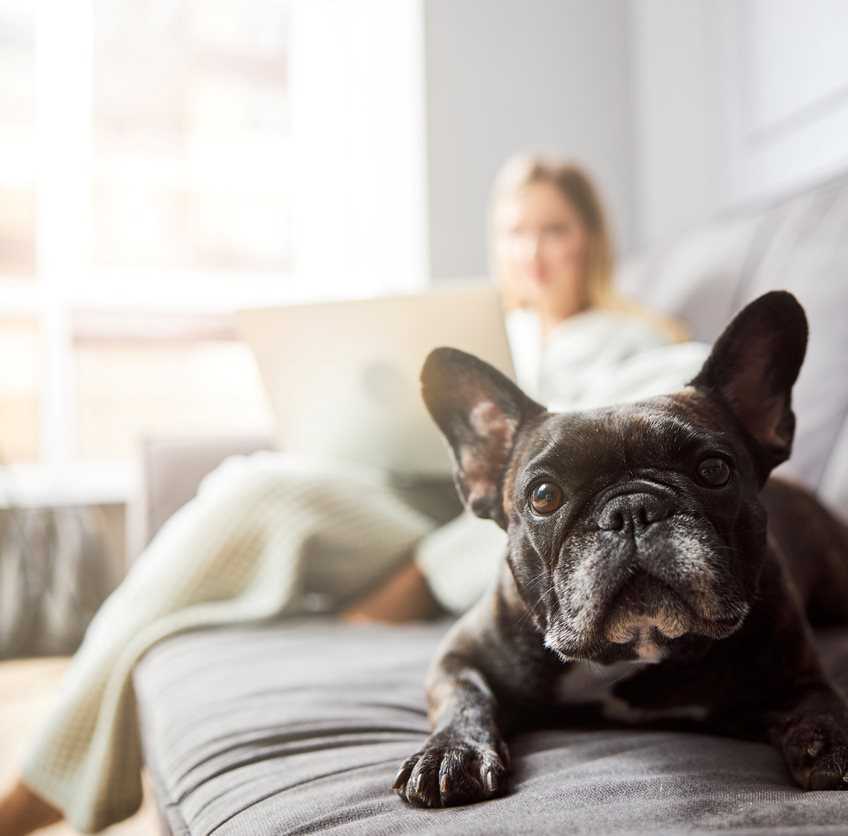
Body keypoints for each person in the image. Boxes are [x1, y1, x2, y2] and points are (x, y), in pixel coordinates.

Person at [0, 153, 707, 835]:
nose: (535, 252)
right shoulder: (498, 336)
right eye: (517, 232)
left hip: (469, 535)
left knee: (262, 504)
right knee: (247, 483)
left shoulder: (631, 340)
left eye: (556, 229)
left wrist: (422, 575)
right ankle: (55, 759)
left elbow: (639, 452)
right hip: (413, 497)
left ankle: (36, 790)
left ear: (592, 239)